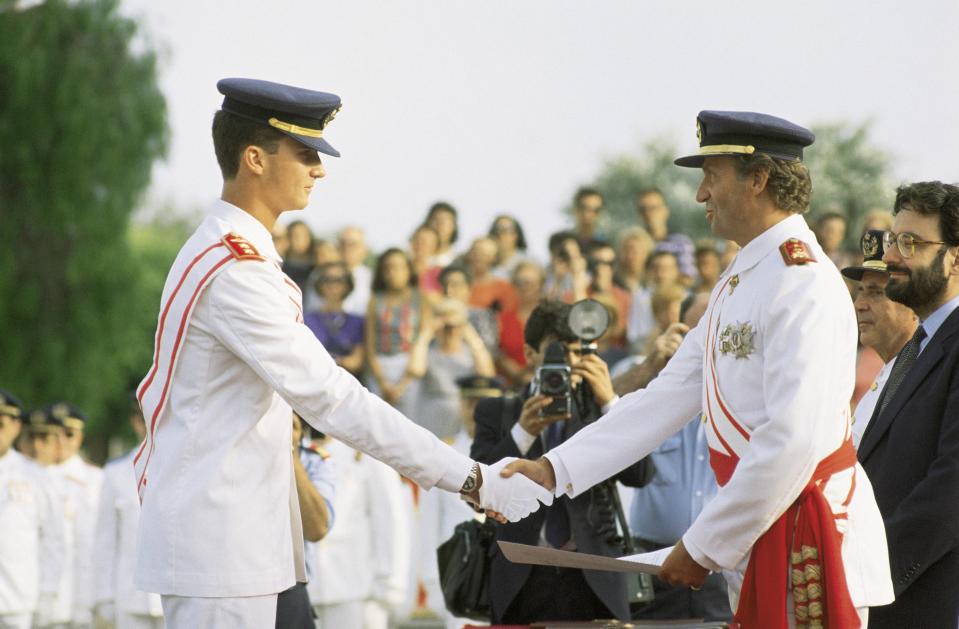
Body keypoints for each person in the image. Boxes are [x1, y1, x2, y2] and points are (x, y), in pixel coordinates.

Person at [132, 78, 551, 629]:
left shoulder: (230, 251)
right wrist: (471, 478)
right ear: (255, 158)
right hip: (223, 548)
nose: (319, 169)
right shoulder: (235, 268)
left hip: (244, 540)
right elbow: (333, 399)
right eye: (306, 154)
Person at [504, 111, 894, 628]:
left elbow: (794, 440)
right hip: (763, 530)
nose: (700, 195)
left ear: (757, 179)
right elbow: (665, 397)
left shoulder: (804, 283)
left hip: (812, 537)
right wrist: (554, 469)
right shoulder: (740, 278)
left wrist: (703, 544)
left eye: (712, 176)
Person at [472, 300, 655, 624]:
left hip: (595, 576)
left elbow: (641, 475)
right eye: (558, 353)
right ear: (530, 355)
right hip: (520, 579)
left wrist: (611, 403)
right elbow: (476, 492)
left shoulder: (600, 411)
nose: (570, 363)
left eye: (578, 353)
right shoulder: (496, 412)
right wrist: (522, 433)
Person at [856, 181, 959, 627]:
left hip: (931, 601)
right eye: (895, 239)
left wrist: (868, 578)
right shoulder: (919, 346)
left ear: (954, 258)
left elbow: (950, 490)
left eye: (911, 243)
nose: (893, 256)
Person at [625, 293, 731, 622]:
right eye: (693, 331)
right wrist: (651, 366)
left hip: (717, 567)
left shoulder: (742, 391)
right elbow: (606, 418)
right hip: (653, 563)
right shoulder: (648, 381)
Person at [839, 230, 918, 447]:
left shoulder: (923, 376)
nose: (859, 304)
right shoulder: (893, 368)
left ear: (911, 301)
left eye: (875, 293)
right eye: (861, 291)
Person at [93, 398, 164, 629]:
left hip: (173, 594)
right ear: (136, 421)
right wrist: (104, 596)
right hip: (131, 596)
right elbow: (105, 540)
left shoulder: (186, 466)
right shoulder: (116, 472)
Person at [0, 390, 63, 629]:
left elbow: (53, 541)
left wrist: (47, 595)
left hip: (17, 600)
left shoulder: (35, 476)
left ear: (16, 427)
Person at [407, 298, 496, 440]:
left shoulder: (471, 353)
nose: (452, 331)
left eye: (457, 326)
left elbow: (487, 374)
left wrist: (471, 336)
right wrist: (426, 334)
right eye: (447, 327)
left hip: (462, 420)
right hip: (433, 418)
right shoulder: (428, 351)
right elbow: (415, 370)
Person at [364, 248, 428, 416]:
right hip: (381, 367)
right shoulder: (374, 301)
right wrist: (383, 383)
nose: (393, 272)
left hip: (409, 368)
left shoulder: (420, 299)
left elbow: (422, 339)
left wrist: (403, 384)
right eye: (388, 268)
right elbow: (370, 345)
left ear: (408, 270)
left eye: (398, 267)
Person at [304, 261, 365, 378]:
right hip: (314, 383)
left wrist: (326, 361)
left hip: (348, 385)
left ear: (348, 285)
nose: (332, 285)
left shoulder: (357, 322)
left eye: (339, 280)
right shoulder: (306, 320)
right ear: (319, 284)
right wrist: (341, 361)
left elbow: (356, 362)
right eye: (327, 279)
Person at [635, 187, 696, 283]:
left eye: (653, 208)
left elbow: (688, 279)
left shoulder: (681, 243)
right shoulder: (633, 244)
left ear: (665, 211)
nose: (648, 213)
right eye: (643, 209)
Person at [337, 226, 373, 317]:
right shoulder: (320, 276)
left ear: (364, 249)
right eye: (343, 244)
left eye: (352, 244)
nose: (346, 248)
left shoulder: (373, 279)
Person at [488, 214, 530, 280]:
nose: (500, 234)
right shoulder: (486, 264)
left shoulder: (527, 262)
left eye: (505, 230)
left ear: (516, 235)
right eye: (496, 230)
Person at [571, 187, 608, 251]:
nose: (590, 214)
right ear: (576, 210)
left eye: (596, 210)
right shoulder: (564, 243)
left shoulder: (606, 244)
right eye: (585, 209)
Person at [424, 202, 460, 268]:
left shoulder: (458, 261)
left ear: (454, 226)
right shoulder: (413, 258)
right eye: (436, 220)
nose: (440, 225)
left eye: (445, 221)